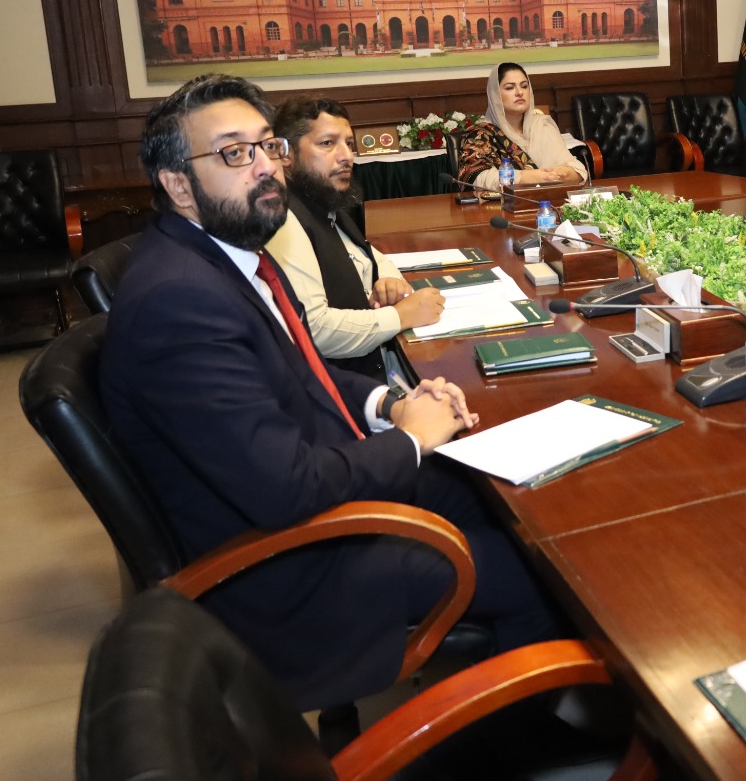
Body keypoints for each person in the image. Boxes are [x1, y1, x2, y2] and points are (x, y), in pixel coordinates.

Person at [100, 74, 558, 712]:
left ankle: (503, 682)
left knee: (486, 489)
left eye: (268, 146)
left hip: (312, 498)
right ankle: (511, 737)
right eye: (235, 153)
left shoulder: (223, 256)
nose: (265, 166)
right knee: (543, 570)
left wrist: (388, 403)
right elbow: (287, 489)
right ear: (178, 185)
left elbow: (297, 367)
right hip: (287, 568)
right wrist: (409, 440)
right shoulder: (179, 301)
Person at [265, 97, 445, 374]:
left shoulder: (323, 201)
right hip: (343, 387)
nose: (346, 156)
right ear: (284, 154)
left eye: (349, 143)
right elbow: (315, 330)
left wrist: (388, 280)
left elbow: (371, 255)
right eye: (327, 143)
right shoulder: (285, 219)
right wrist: (400, 316)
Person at [457, 62, 588, 191]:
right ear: (495, 94)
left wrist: (564, 174)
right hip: (502, 203)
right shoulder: (481, 135)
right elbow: (478, 179)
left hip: (550, 201)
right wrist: (532, 177)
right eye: (510, 88)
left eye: (524, 86)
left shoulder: (542, 126)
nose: (520, 92)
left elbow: (578, 169)